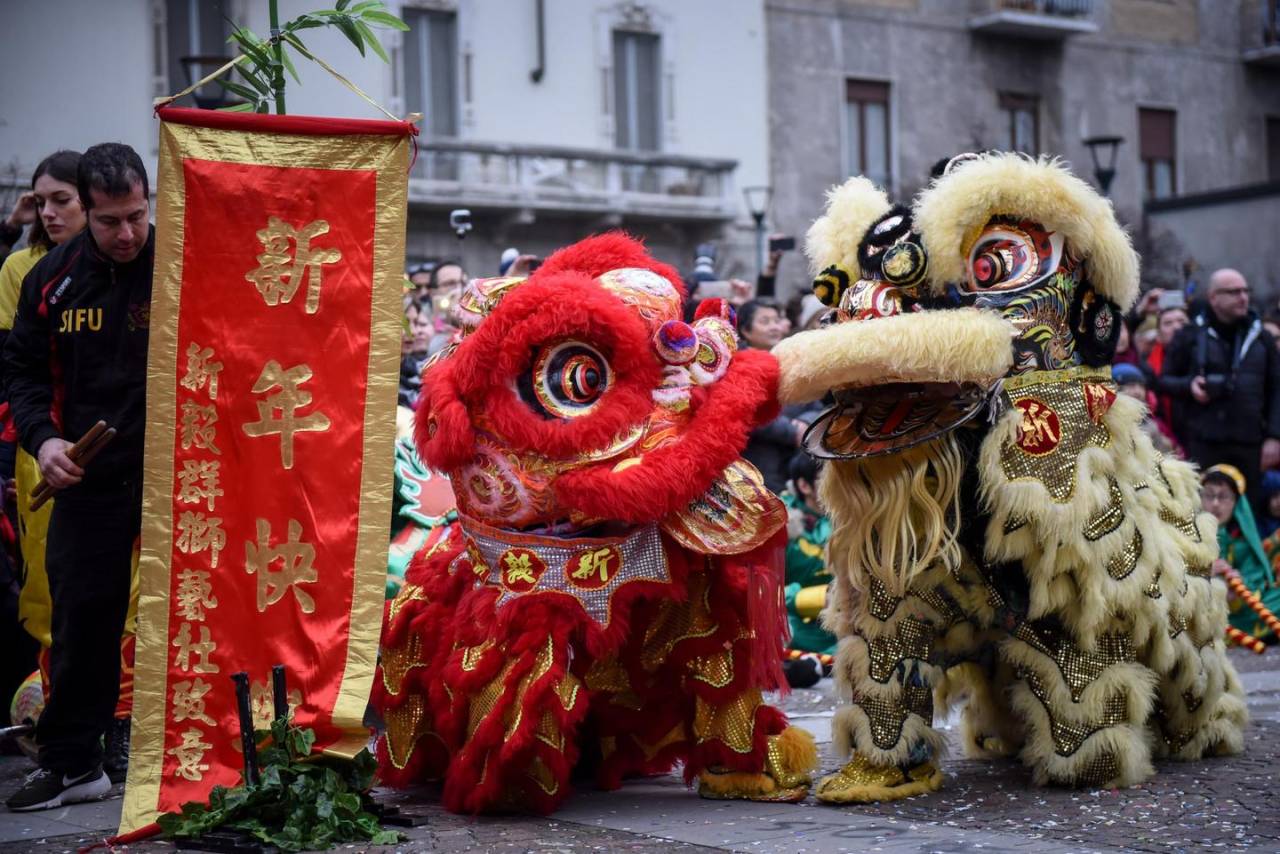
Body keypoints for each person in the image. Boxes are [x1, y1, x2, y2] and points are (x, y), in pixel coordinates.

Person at [3, 143, 153, 812]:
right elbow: (24, 376)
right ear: (82, 213)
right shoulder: (50, 280)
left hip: (183, 473)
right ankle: (72, 764)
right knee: (82, 619)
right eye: (110, 221)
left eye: (138, 217)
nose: (126, 235)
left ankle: (222, 747)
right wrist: (46, 440)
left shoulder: (186, 261)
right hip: (88, 475)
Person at [0, 151, 87, 740]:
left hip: (116, 449)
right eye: (42, 201)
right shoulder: (22, 269)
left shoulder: (135, 265)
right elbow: (16, 372)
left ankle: (118, 717)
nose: (50, 213)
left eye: (63, 200)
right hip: (45, 448)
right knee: (47, 584)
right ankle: (62, 718)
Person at [1160, 268, 1280, 513]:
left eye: (1246, 291)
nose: (1243, 297)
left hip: (1250, 443)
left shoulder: (1262, 338)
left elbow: (1277, 388)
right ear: (1213, 297)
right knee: (1203, 514)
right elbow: (1164, 380)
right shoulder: (1190, 335)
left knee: (1249, 515)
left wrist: (1274, 437)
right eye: (1234, 292)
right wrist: (1189, 386)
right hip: (1204, 442)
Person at [1201, 465, 1278, 642]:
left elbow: (1257, 580)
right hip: (1198, 607)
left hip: (1238, 610)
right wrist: (1204, 574)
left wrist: (1238, 583)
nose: (1215, 504)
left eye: (1224, 496)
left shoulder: (1243, 540)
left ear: (1237, 502)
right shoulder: (1186, 536)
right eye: (1209, 495)